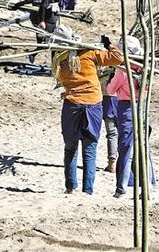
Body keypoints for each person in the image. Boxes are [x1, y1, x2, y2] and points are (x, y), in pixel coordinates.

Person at [51, 25, 124, 194]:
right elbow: (118, 58)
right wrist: (108, 44)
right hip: (92, 105)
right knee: (89, 150)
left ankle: (71, 187)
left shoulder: (58, 60)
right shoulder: (89, 53)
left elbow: (61, 79)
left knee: (70, 148)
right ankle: (88, 190)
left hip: (72, 106)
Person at [107, 36, 156, 197]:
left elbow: (110, 90)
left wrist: (110, 78)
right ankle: (147, 186)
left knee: (126, 148)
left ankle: (121, 187)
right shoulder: (145, 68)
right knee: (143, 148)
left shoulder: (123, 71)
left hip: (127, 108)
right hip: (143, 107)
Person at [99, 68, 118, 173]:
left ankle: (112, 163)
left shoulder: (104, 73)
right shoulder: (124, 72)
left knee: (112, 134)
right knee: (123, 134)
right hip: (123, 102)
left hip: (108, 103)